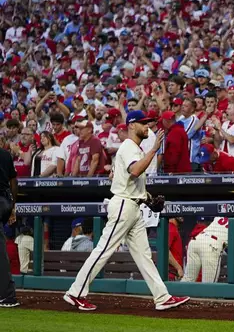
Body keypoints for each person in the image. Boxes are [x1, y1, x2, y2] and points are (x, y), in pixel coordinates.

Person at [63, 110, 190, 311]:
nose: (147, 126)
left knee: (144, 255)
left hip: (133, 206)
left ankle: (162, 297)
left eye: (148, 123)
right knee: (104, 249)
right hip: (123, 206)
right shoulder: (130, 147)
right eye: (143, 123)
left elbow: (132, 181)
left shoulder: (134, 149)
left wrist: (148, 200)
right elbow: (135, 170)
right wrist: (154, 150)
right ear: (132, 125)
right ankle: (75, 292)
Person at [0, 146, 19, 307]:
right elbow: (13, 181)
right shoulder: (5, 154)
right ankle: (6, 294)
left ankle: (8, 295)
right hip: (5, 202)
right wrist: (12, 207)